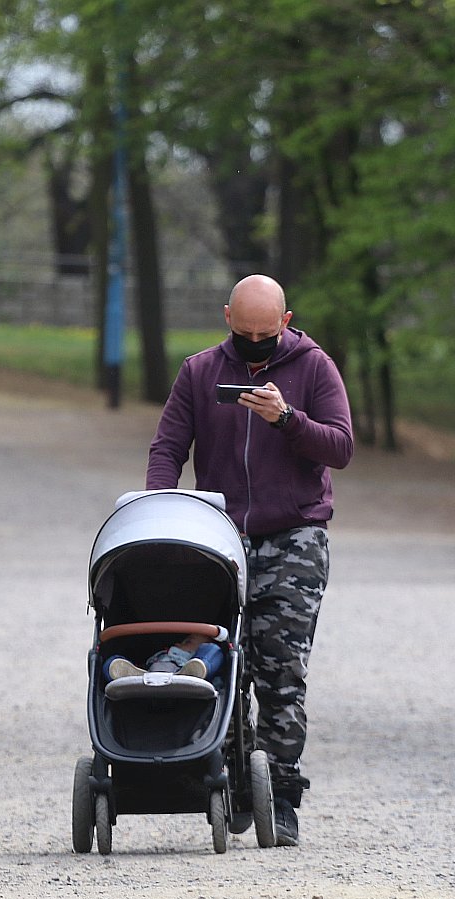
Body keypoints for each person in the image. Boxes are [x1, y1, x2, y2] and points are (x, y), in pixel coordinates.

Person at [145, 274, 354, 846]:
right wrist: (161, 508)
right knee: (219, 661)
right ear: (227, 320)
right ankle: (232, 777)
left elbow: (341, 447)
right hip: (220, 535)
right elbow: (168, 448)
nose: (256, 343)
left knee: (281, 671)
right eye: (245, 333)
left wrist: (287, 420)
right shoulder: (200, 371)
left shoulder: (314, 368)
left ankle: (282, 795)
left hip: (294, 536)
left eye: (267, 333)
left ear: (286, 322)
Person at [105, 634, 225, 681]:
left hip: (183, 670)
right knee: (113, 661)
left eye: (188, 642)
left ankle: (196, 672)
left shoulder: (190, 657)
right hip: (146, 673)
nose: (178, 644)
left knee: (214, 651)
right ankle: (127, 676)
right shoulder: (162, 653)